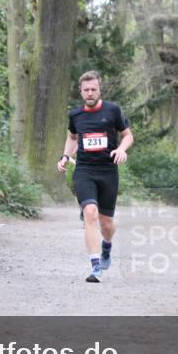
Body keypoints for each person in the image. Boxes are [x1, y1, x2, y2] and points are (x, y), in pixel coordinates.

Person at [57, 70, 133, 283]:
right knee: (90, 213)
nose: (90, 93)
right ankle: (95, 265)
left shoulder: (113, 111)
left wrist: (122, 149)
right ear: (81, 92)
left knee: (106, 223)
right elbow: (72, 138)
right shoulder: (75, 115)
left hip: (108, 171)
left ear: (99, 90)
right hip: (84, 171)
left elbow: (127, 135)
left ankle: (106, 246)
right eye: (86, 90)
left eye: (94, 89)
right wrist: (65, 156)